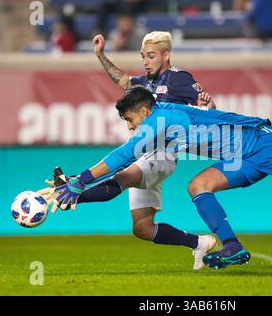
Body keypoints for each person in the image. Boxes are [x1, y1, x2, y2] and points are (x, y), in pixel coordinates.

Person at [46, 86, 272, 272]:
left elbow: (122, 156)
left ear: (144, 111)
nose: (130, 125)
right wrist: (79, 180)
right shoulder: (162, 117)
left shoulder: (156, 122)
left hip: (262, 141)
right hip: (238, 158)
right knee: (197, 186)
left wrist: (79, 181)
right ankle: (233, 246)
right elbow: (126, 156)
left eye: (129, 118)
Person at [43, 31, 217, 270]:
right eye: (143, 56)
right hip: (145, 153)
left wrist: (208, 105)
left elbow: (207, 106)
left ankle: (73, 196)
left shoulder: (178, 79)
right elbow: (123, 80)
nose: (146, 61)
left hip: (162, 152)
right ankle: (198, 242)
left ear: (166, 55)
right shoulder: (145, 84)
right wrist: (101, 55)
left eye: (152, 56)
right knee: (142, 228)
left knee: (122, 177)